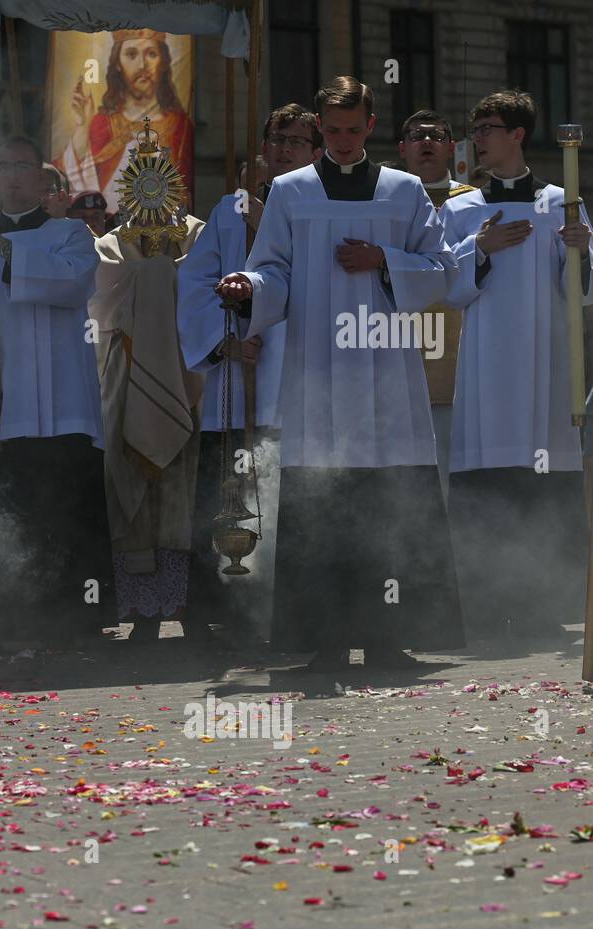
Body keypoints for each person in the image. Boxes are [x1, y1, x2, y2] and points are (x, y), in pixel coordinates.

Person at [216, 77, 462, 671]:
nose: (344, 140)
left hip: (388, 369)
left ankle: (387, 638)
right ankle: (324, 639)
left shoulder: (404, 191)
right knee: (322, 505)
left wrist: (384, 260)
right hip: (319, 369)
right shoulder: (291, 190)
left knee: (389, 503)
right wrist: (250, 286)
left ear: (372, 127)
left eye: (354, 130)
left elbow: (441, 269)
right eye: (332, 130)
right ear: (320, 127)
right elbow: (272, 267)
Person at [0, 134, 113, 654]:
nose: (12, 175)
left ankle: (72, 620)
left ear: (40, 175)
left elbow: (73, 287)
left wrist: (6, 250)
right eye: (3, 166)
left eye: (22, 166)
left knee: (63, 513)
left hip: (62, 408)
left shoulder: (69, 236)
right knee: (0, 519)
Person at [439, 90, 592, 640]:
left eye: (487, 127)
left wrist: (583, 250)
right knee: (489, 476)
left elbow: (579, 292)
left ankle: (544, 605)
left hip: (545, 364)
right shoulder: (460, 209)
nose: (475, 137)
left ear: (518, 135)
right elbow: (443, 287)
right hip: (484, 367)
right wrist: (478, 248)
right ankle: (484, 606)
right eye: (474, 127)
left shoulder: (562, 202)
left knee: (544, 476)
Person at [178, 103, 321, 644]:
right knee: (228, 495)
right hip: (238, 383)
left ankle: (286, 612)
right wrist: (225, 342)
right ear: (262, 147)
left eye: (298, 141)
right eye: (277, 138)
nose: (285, 149)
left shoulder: (322, 206)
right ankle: (222, 612)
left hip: (296, 378)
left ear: (316, 151)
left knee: (292, 499)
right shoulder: (229, 210)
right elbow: (195, 283)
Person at [90, 206, 205, 641]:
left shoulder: (197, 235)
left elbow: (205, 281)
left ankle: (181, 602)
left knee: (181, 491)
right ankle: (141, 610)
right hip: (125, 376)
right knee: (129, 488)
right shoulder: (111, 244)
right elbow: (99, 295)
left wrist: (153, 269)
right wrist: (157, 271)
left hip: (185, 373)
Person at [398, 109, 476, 495]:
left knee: (450, 486)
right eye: (416, 136)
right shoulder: (386, 200)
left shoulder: (475, 203)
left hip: (453, 365)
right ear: (402, 148)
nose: (426, 142)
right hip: (395, 359)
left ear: (451, 148)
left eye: (435, 136)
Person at [61, 29, 195, 212]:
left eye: (151, 54)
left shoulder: (180, 126)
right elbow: (68, 184)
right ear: (117, 63)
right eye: (131, 54)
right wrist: (82, 128)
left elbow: (185, 191)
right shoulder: (101, 124)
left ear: (162, 62)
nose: (142, 65)